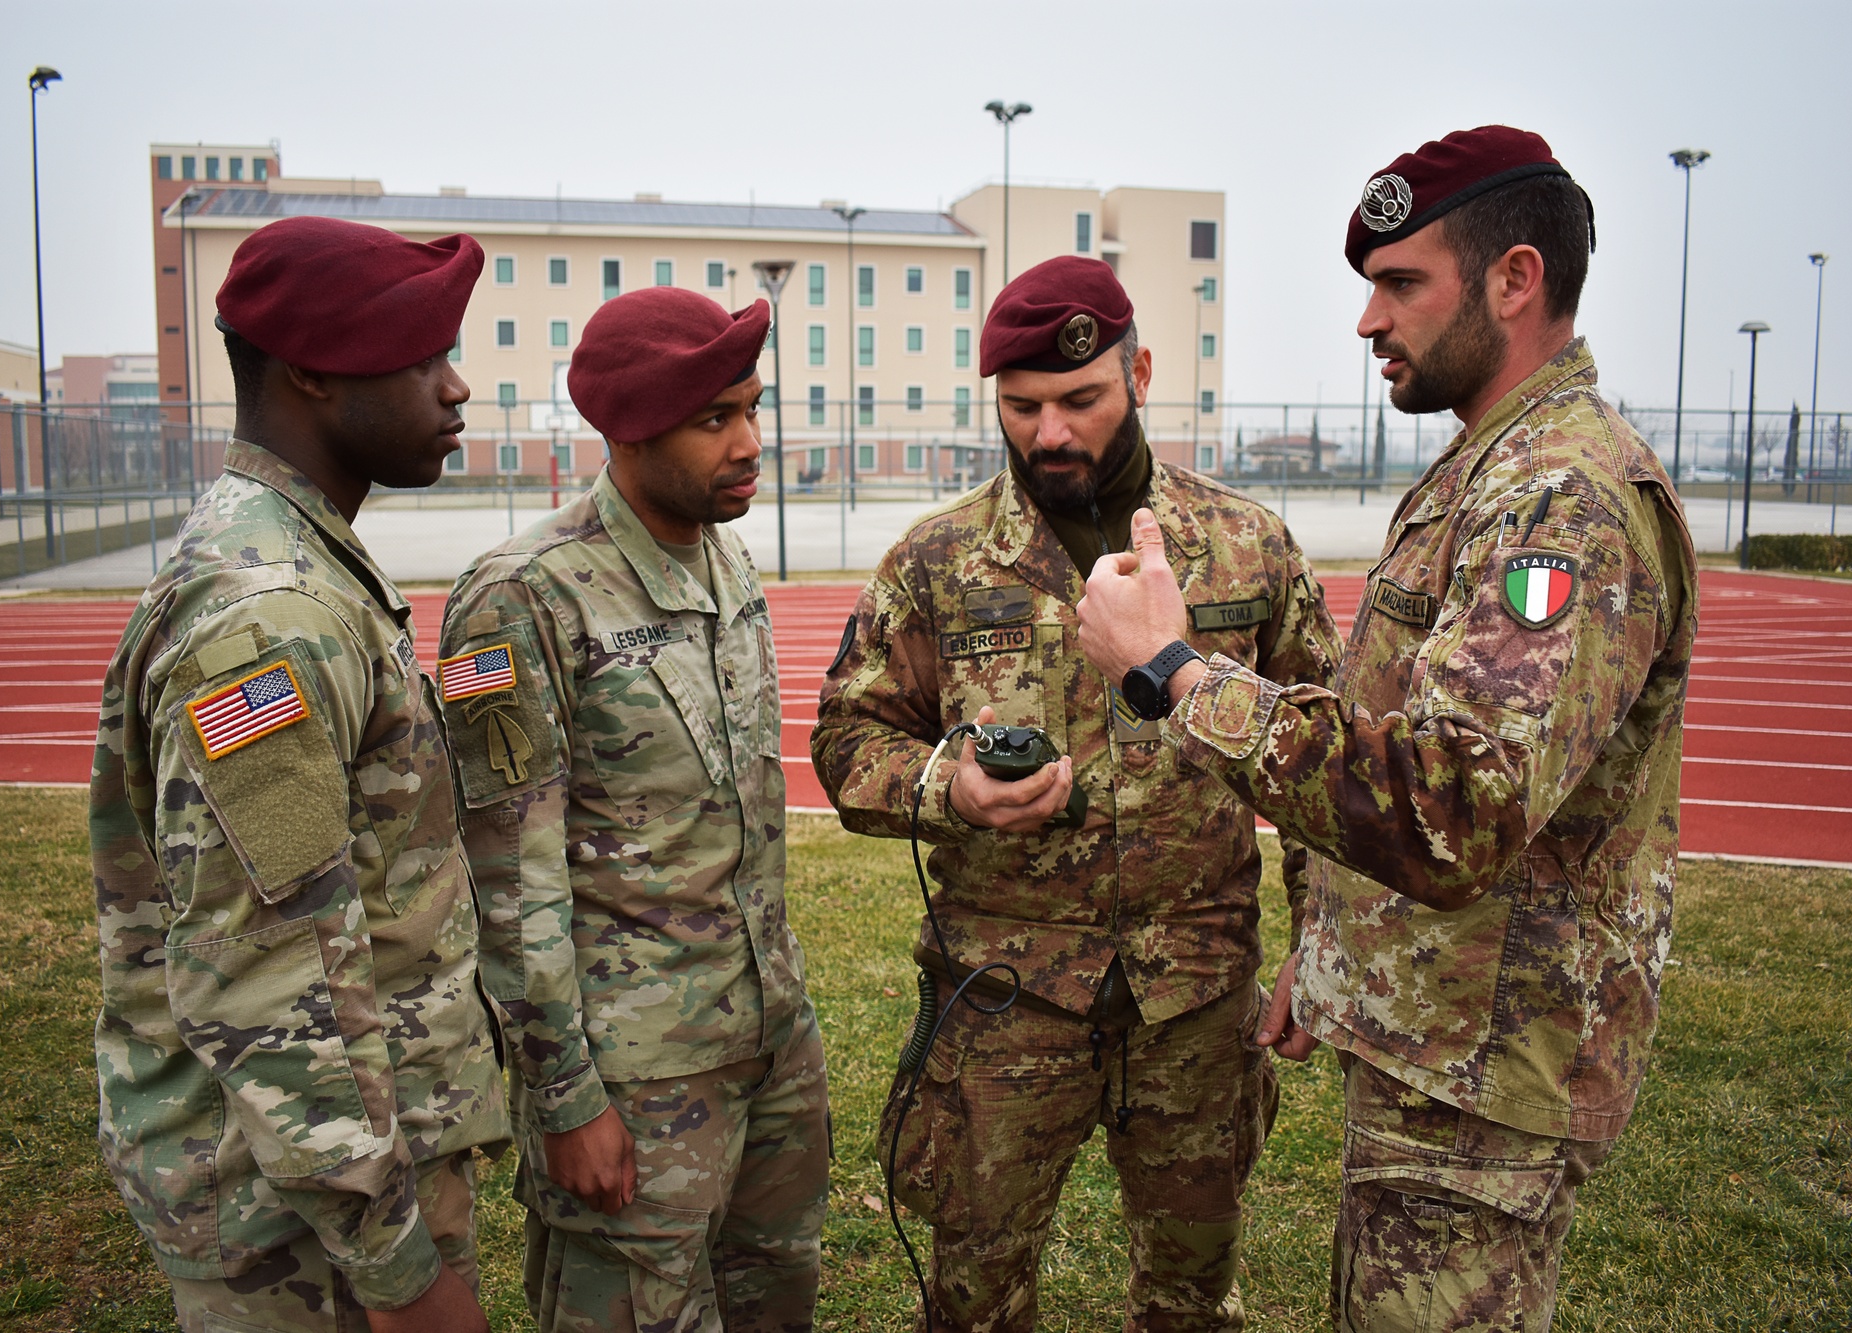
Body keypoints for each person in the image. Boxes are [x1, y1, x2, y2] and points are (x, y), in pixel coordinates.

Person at [1076, 126, 1700, 1333]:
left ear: (1513, 280)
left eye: (1399, 282)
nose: (1367, 319)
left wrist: (1171, 668)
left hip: (1479, 1075)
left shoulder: (1557, 499)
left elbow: (1452, 806)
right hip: (1438, 1046)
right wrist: (1337, 952)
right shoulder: (1495, 467)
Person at [813, 255, 1343, 1332]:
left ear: (1138, 370)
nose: (1047, 432)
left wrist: (1320, 935)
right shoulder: (941, 560)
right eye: (1020, 407)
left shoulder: (1246, 544)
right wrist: (943, 788)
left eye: (1078, 400)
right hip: (1006, 997)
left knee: (1190, 1298)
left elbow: (1320, 759)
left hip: (1195, 996)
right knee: (972, 1297)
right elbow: (846, 734)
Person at [89, 215, 510, 1332]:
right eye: (425, 357)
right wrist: (397, 1268)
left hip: (335, 1187)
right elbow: (271, 977)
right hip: (305, 1236)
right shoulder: (270, 612)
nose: (457, 386)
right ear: (314, 370)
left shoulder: (300, 558)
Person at [437, 286, 828, 1333]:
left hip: (767, 1039)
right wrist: (564, 1098)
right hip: (634, 1073)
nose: (749, 442)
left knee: (771, 1298)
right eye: (715, 420)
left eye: (754, 406)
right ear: (628, 428)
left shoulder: (724, 551)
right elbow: (507, 877)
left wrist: (782, 1033)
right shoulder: (521, 597)